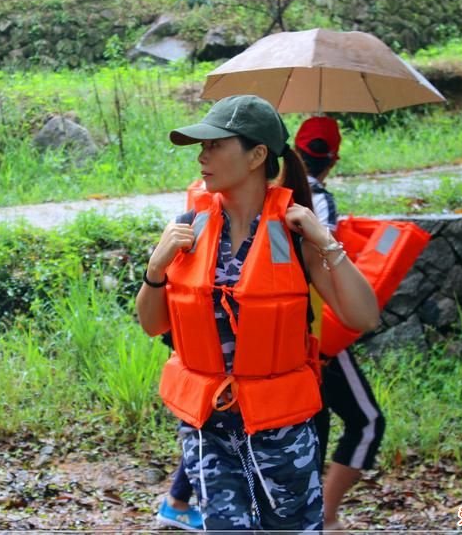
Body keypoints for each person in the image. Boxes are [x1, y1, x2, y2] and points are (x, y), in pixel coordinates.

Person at [137, 95, 379, 531]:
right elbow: (153, 324)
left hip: (281, 428)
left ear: (257, 156)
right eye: (201, 147)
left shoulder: (294, 231)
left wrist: (326, 243)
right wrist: (155, 269)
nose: (202, 156)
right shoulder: (190, 226)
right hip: (209, 428)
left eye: (215, 145)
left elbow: (363, 317)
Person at [295, 116, 387, 531]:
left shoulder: (267, 194)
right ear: (333, 161)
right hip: (316, 335)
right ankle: (325, 517)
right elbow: (323, 268)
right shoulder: (318, 202)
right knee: (367, 421)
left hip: (272, 334)